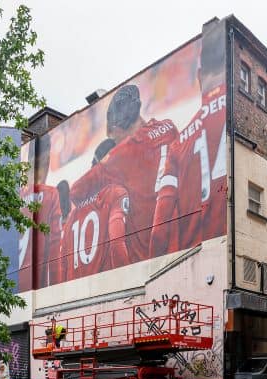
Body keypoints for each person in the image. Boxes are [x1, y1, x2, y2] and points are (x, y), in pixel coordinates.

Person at [70, 84, 179, 265]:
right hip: (181, 247)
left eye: (113, 138)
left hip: (146, 260)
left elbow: (76, 192)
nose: (113, 143)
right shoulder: (169, 127)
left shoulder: (120, 155)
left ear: (118, 128)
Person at [150, 20, 227, 256]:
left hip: (194, 261)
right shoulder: (237, 112)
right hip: (229, 252)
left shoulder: (178, 144)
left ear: (200, 75)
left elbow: (159, 229)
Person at [59, 139, 130, 282]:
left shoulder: (73, 215)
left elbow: (62, 268)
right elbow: (117, 243)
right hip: (105, 292)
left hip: (76, 298)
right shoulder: (114, 194)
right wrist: (126, 281)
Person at [18, 133, 62, 290]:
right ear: (46, 161)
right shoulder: (50, 194)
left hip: (12, 291)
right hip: (33, 292)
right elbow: (55, 251)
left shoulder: (13, 200)